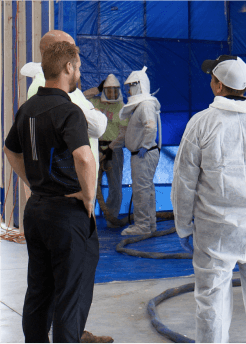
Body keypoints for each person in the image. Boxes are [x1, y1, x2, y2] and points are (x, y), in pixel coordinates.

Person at [171, 55, 246, 344]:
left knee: (212, 306)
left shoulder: (202, 124)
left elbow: (184, 182)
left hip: (215, 233)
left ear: (218, 85)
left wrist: (183, 225)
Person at [20, 30, 112, 343]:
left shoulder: (28, 107)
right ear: (68, 67)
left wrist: (34, 182)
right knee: (71, 298)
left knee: (39, 292)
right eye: (78, 66)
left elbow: (10, 149)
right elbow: (84, 157)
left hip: (37, 209)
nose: (80, 72)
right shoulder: (70, 109)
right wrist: (88, 197)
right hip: (66, 211)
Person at [20, 30, 107, 179]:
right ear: (54, 52)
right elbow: (96, 127)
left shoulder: (69, 89)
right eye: (71, 49)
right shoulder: (45, 87)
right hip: (67, 189)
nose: (77, 56)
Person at [119, 66, 162, 236]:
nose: (128, 91)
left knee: (141, 190)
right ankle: (149, 224)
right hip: (143, 154)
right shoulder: (144, 105)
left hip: (144, 154)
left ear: (138, 85)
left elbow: (150, 126)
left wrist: (144, 146)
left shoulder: (145, 105)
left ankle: (143, 225)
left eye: (130, 86)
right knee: (146, 189)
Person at [84, 74, 129, 227]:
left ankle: (112, 219)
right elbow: (81, 98)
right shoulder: (96, 101)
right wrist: (97, 89)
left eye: (115, 91)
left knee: (115, 185)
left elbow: (123, 132)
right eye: (108, 91)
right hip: (95, 148)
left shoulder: (122, 107)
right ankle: (89, 218)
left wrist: (110, 149)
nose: (112, 94)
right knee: (90, 184)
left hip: (113, 149)